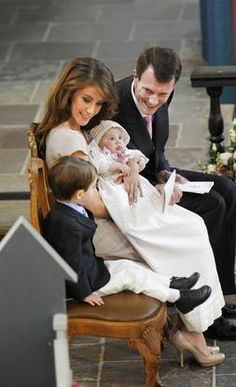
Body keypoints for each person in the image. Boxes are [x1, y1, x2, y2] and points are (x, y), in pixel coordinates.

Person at [35, 56, 225, 358]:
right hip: (95, 230)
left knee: (189, 225)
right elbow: (94, 204)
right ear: (68, 91)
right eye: (86, 100)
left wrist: (129, 173)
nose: (91, 111)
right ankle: (191, 328)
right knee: (186, 233)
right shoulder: (67, 139)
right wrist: (135, 203)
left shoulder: (73, 127)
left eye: (98, 105)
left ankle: (190, 324)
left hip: (100, 218)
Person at [44, 155, 223, 367]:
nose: (96, 193)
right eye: (94, 188)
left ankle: (175, 283)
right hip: (89, 284)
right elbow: (72, 263)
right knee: (133, 276)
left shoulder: (72, 210)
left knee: (132, 267)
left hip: (94, 270)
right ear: (80, 194)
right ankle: (180, 296)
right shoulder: (64, 223)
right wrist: (84, 292)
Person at [113, 46, 236, 339]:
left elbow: (157, 148)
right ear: (135, 75)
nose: (154, 100)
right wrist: (155, 185)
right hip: (133, 192)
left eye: (163, 94)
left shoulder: (164, 92)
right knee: (213, 205)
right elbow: (111, 164)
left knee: (228, 189)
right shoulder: (113, 104)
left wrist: (167, 173)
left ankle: (225, 290)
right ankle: (211, 315)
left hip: (157, 176)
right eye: (148, 91)